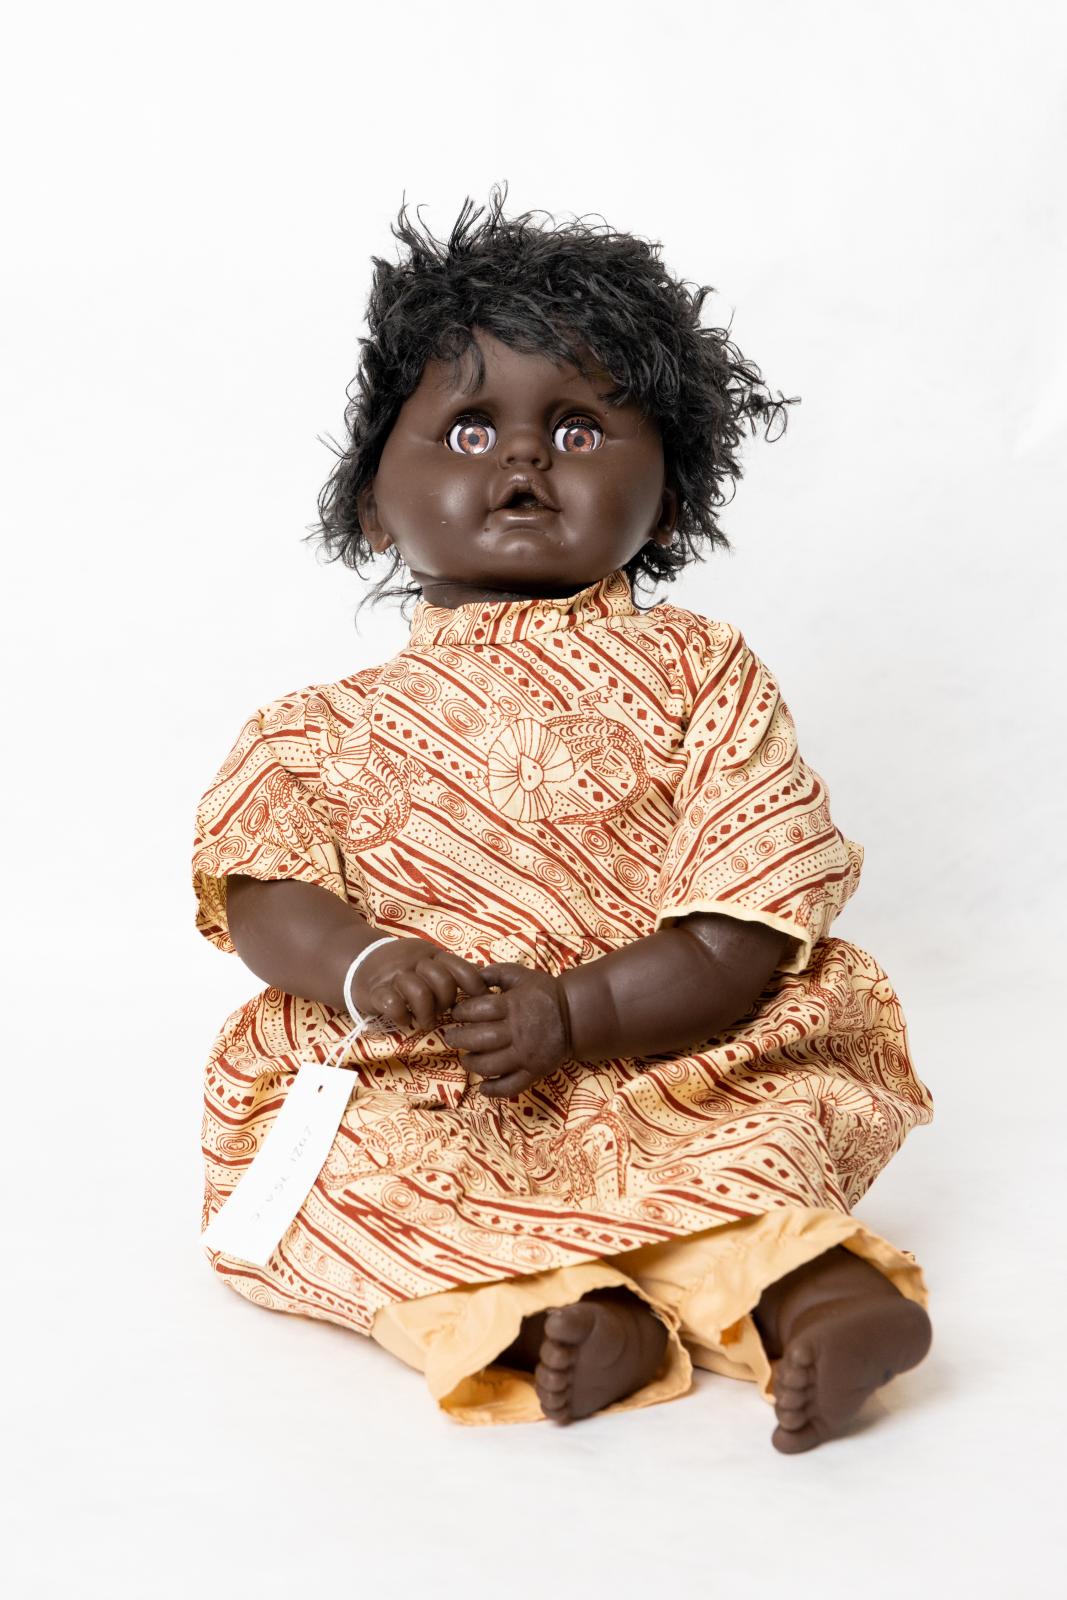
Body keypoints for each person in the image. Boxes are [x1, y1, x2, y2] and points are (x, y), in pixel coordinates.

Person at [192, 189, 933, 1452]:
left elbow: (740, 922)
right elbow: (265, 891)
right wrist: (365, 965)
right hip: (426, 1081)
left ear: (672, 496)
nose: (524, 460)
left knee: (747, 1151)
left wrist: (573, 1013)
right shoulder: (308, 728)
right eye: (469, 427)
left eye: (580, 429)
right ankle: (560, 1319)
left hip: (673, 1058)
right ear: (375, 498)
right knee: (336, 1176)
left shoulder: (705, 673)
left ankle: (822, 1299)